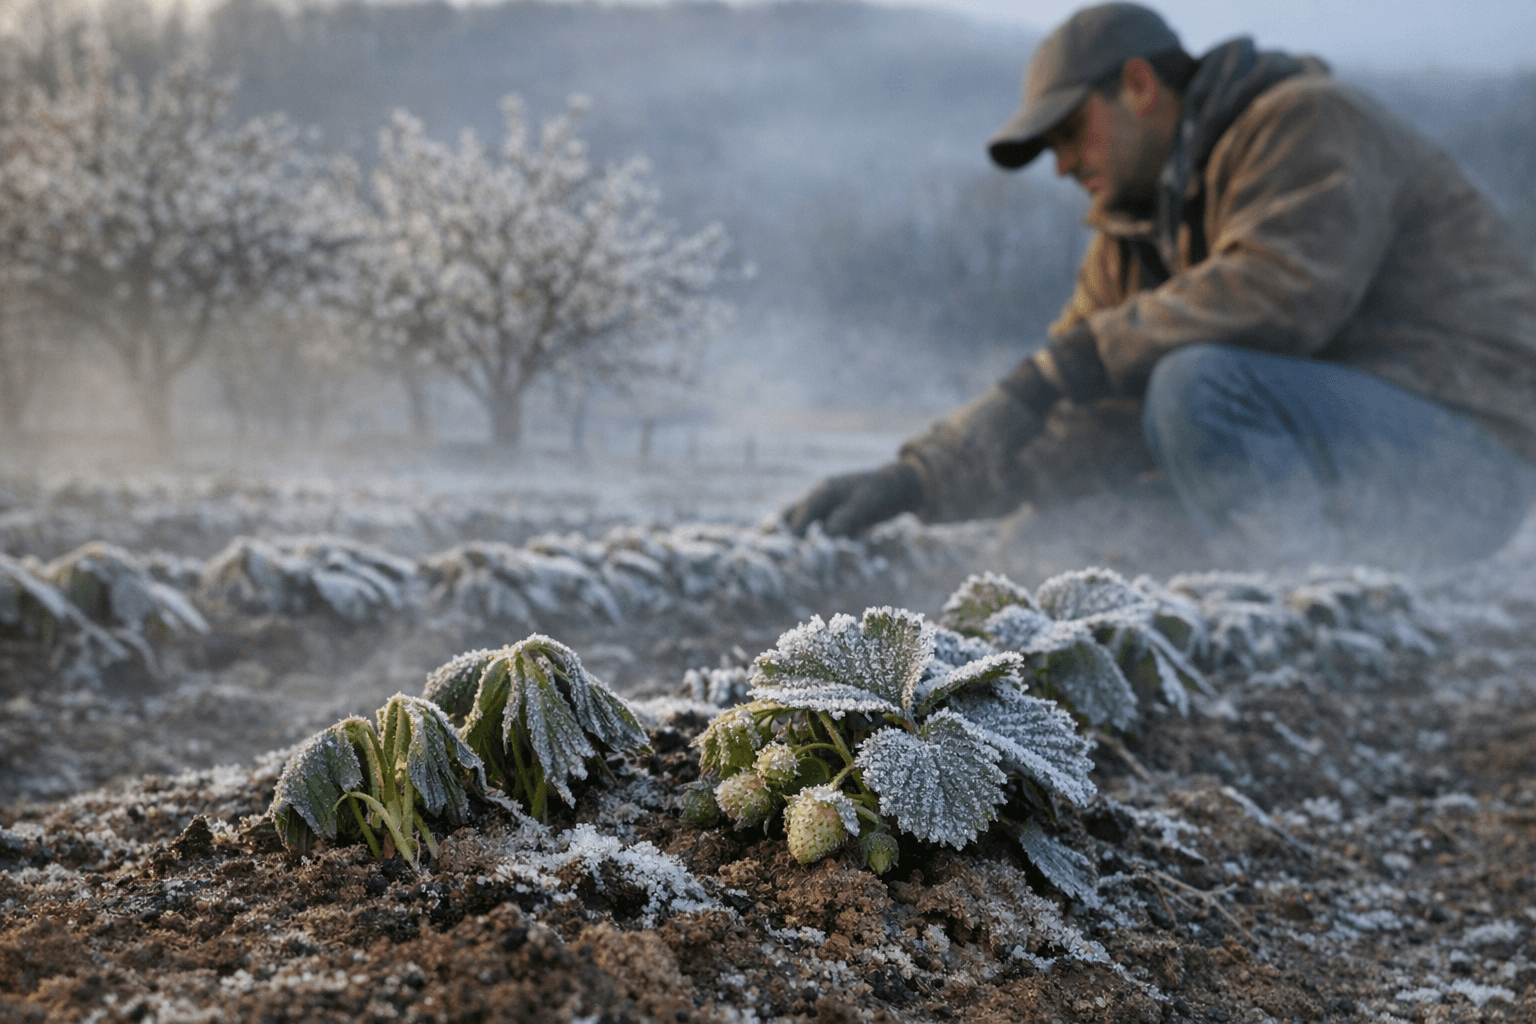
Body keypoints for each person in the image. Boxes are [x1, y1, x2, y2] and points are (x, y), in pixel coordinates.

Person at [784, 2, 1536, 568]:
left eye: (1071, 133)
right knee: (1075, 533)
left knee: (1195, 386)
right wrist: (919, 479)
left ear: (1139, 86)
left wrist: (1057, 370)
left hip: (1467, 453)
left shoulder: (1306, 122)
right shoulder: (1131, 231)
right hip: (1324, 453)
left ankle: (1299, 604)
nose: (1063, 166)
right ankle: (1269, 584)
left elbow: (1282, 297)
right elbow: (1080, 413)